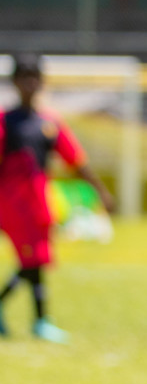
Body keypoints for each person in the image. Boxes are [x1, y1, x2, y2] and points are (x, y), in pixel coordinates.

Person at [0, 54, 115, 343]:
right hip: (13, 202)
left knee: (36, 261)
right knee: (33, 259)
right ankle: (40, 321)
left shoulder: (49, 123)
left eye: (34, 76)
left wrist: (100, 190)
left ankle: (40, 321)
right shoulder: (5, 121)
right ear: (14, 82)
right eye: (24, 77)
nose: (29, 83)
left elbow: (76, 160)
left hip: (39, 200)